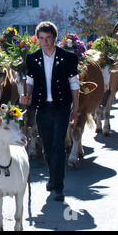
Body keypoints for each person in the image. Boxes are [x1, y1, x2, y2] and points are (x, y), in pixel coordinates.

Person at [20, 21, 79, 202]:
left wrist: (75, 108)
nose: (44, 42)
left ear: (54, 38)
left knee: (58, 145)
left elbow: (74, 84)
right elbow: (30, 80)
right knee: (46, 148)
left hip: (61, 107)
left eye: (48, 38)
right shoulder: (33, 58)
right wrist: (27, 96)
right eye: (41, 39)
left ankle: (58, 187)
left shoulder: (68, 57)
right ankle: (52, 177)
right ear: (38, 39)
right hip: (42, 107)